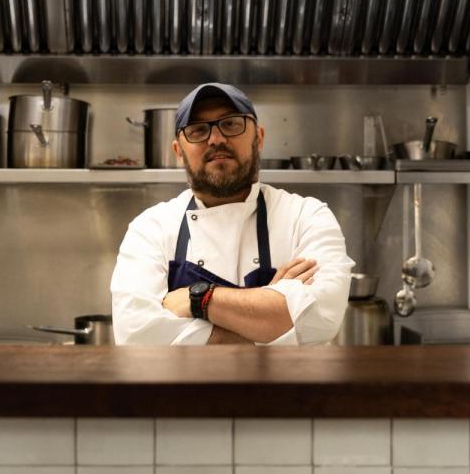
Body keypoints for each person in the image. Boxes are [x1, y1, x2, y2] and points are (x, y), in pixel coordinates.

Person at [110, 83, 353, 345]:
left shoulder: (307, 217)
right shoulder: (150, 228)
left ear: (258, 138)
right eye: (198, 130)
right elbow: (136, 336)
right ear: (179, 152)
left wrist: (196, 298)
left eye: (231, 124)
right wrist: (270, 317)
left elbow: (319, 323)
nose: (216, 139)